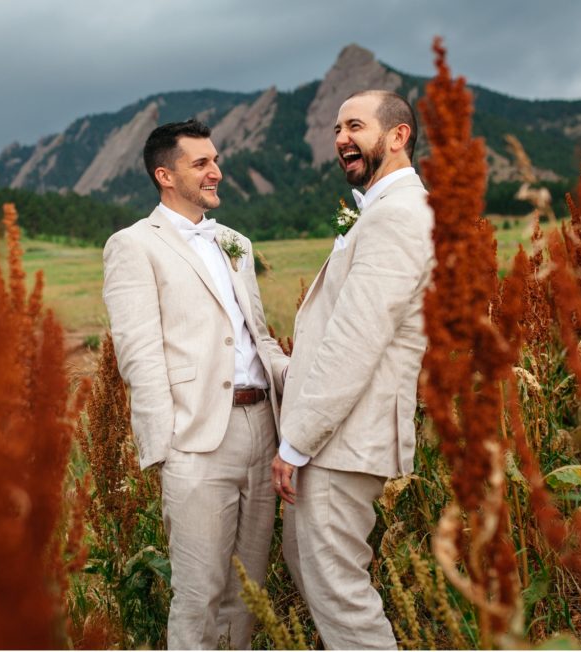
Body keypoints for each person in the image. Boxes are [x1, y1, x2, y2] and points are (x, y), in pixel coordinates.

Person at [102, 119, 289, 650]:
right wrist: (169, 448)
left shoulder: (235, 243)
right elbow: (138, 355)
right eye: (201, 163)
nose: (216, 171)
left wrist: (299, 381)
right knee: (199, 592)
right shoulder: (133, 245)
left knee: (246, 590)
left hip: (264, 428)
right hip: (197, 438)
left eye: (215, 160)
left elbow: (258, 336)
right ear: (165, 175)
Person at [270, 90, 435, 649]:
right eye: (337, 127)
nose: (341, 137)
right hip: (340, 434)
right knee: (313, 571)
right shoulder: (384, 211)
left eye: (355, 125)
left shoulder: (398, 215)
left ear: (398, 136)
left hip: (344, 437)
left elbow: (355, 341)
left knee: (340, 594)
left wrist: (296, 443)